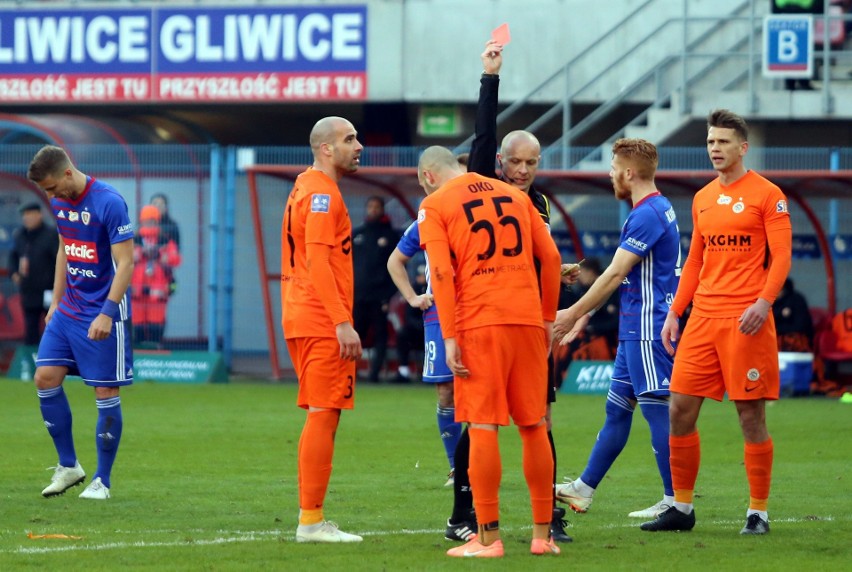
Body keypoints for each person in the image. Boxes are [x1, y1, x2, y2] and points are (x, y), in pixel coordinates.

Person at [640, 109, 792, 535]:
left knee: (750, 416)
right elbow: (695, 260)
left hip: (746, 319)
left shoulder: (768, 194)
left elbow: (781, 256)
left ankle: (758, 512)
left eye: (723, 142)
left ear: (743, 147)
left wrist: (764, 303)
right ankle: (682, 509)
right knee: (680, 411)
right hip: (702, 319)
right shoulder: (703, 198)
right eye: (710, 142)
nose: (715, 149)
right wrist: (675, 312)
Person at [457, 38, 580, 544]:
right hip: (491, 316)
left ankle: (546, 518)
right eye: (516, 163)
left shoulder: (541, 206)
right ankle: (465, 512)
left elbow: (538, 258)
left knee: (538, 419)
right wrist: (490, 79)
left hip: (527, 322)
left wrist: (556, 291)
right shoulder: (486, 186)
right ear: (501, 163)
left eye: (532, 163)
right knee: (477, 421)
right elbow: (484, 135)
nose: (524, 171)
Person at [418, 145, 563, 558]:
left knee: (483, 426)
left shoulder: (435, 204)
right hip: (528, 320)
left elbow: (442, 272)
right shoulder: (517, 196)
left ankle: (487, 539)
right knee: (535, 425)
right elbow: (551, 256)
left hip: (480, 323)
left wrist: (448, 336)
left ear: (429, 175)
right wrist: (549, 318)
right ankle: (541, 537)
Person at [552, 139, 680, 520]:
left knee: (657, 409)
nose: (609, 174)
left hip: (646, 327)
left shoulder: (647, 213)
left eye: (612, 168)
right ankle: (584, 489)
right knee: (617, 409)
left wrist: (573, 312)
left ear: (628, 172)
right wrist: (588, 315)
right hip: (634, 326)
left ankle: (676, 498)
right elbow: (625, 276)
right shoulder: (655, 208)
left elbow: (615, 272)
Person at [27, 145, 135, 500]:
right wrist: (56, 300)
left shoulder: (109, 202)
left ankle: (102, 481)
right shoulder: (60, 203)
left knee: (104, 391)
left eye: (52, 187)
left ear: (68, 173)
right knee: (44, 377)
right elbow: (65, 248)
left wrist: (107, 311)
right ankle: (69, 465)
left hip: (102, 311)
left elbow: (126, 263)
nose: (50, 195)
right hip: (69, 309)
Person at [281, 116, 364, 543]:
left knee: (321, 415)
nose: (358, 145)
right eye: (349, 139)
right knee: (323, 415)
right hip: (319, 319)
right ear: (325, 149)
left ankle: (311, 518)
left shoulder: (306, 185)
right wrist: (341, 322)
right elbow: (316, 260)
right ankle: (311, 521)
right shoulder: (320, 194)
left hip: (303, 315)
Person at [387, 163, 464, 503]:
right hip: (438, 314)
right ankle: (456, 467)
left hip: (478, 313)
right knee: (446, 392)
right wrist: (413, 298)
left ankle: (476, 465)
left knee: (480, 393)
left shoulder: (480, 210)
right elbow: (395, 261)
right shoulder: (428, 216)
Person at [352, 196, 401, 382]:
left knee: (381, 335)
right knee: (356, 334)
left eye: (376, 206)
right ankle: (351, 372)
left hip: (380, 298)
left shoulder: (390, 236)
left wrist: (387, 295)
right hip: (359, 296)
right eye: (370, 206)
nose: (373, 210)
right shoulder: (357, 234)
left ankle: (374, 375)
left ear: (382, 209)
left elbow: (397, 268)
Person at [131, 205, 182, 347]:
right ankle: (139, 350)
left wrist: (159, 254)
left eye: (152, 221)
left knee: (156, 322)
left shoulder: (165, 239)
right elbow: (123, 258)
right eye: (146, 221)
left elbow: (176, 259)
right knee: (138, 322)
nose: (149, 225)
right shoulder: (134, 239)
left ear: (157, 222)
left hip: (158, 288)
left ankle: (156, 349)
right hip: (137, 288)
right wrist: (138, 254)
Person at [8, 201, 58, 345]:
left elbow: (60, 261)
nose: (26, 218)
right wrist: (14, 273)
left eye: (30, 214)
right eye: (24, 215)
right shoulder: (20, 235)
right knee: (31, 329)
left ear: (39, 215)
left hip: (49, 290)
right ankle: (31, 363)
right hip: (28, 290)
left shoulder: (51, 234)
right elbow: (13, 256)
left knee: (52, 326)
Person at [566, 257, 620, 361]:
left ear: (591, 272)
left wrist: (593, 328)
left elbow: (616, 319)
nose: (580, 277)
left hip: (607, 339)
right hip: (587, 337)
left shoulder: (611, 289)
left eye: (583, 273)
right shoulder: (582, 290)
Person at [773, 278, 814, 352]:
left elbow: (801, 325)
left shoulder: (797, 300)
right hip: (776, 335)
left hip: (796, 339)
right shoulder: (771, 302)